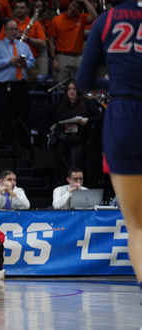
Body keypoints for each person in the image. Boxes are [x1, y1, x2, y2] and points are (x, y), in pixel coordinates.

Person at [75, 0, 142, 293]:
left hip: (124, 114)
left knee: (137, 225)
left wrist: (116, 84)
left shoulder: (108, 19)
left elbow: (82, 81)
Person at [0, 20, 35, 149]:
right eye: (12, 29)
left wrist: (24, 63)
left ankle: (24, 142)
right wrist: (10, 61)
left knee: (23, 114)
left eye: (16, 30)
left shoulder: (23, 46)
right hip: (4, 85)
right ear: (5, 30)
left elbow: (32, 62)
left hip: (20, 84)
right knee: (5, 114)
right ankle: (7, 142)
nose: (14, 32)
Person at [42, 79, 102, 168]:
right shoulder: (61, 103)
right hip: (62, 139)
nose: (71, 91)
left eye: (74, 89)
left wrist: (87, 120)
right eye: (69, 89)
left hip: (78, 139)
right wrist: (50, 126)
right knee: (61, 167)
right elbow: (45, 112)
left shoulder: (85, 103)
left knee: (75, 167)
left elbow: (100, 116)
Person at [48, 0, 98, 82]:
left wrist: (85, 1)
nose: (74, 9)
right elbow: (50, 41)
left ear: (79, 10)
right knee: (61, 86)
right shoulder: (56, 20)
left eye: (77, 8)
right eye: (73, 5)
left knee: (79, 87)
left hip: (78, 57)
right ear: (69, 4)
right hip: (62, 57)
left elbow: (95, 16)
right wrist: (53, 59)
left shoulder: (81, 18)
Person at [0, 0, 46, 81]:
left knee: (31, 87)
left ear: (28, 10)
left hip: (29, 62)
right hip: (11, 62)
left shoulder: (35, 24)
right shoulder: (9, 24)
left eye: (22, 8)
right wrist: (12, 37)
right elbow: (0, 43)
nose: (19, 10)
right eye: (17, 8)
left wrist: (26, 38)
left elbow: (43, 43)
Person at [30, 0, 52, 75]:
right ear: (32, 7)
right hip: (30, 49)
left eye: (41, 6)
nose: (38, 9)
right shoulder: (28, 20)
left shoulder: (46, 21)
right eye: (36, 6)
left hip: (42, 50)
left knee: (42, 75)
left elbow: (50, 36)